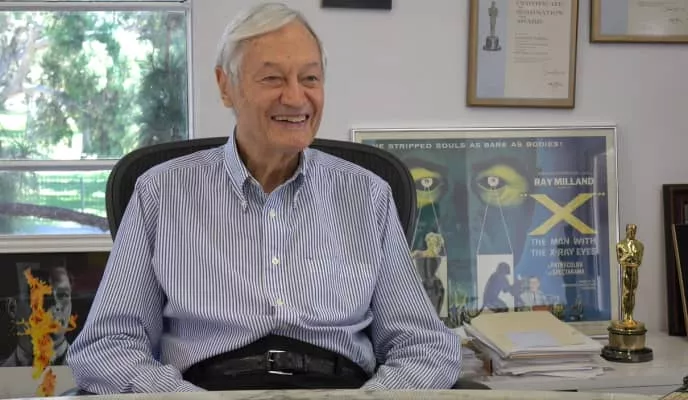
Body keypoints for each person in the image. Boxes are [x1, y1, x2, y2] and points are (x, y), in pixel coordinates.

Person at [66, 2, 462, 394]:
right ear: (226, 86)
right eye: (273, 79)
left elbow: (424, 346)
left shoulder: (367, 195)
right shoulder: (160, 193)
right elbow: (106, 347)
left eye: (310, 78)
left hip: (339, 389)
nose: (296, 98)